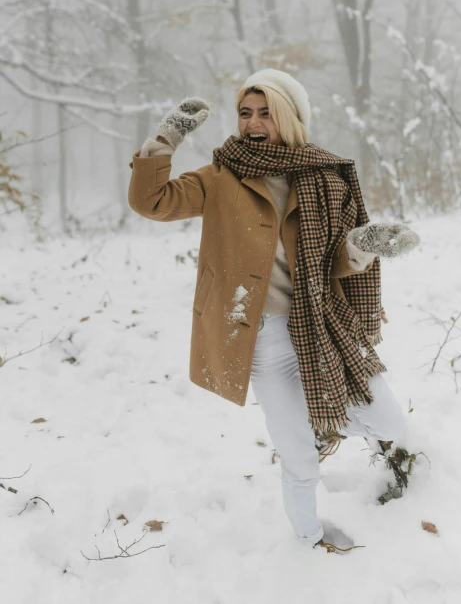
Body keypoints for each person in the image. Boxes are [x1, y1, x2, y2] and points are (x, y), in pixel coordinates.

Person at [128, 69, 419, 554]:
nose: (253, 123)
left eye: (266, 113)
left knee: (389, 423)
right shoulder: (223, 176)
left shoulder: (327, 177)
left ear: (291, 117)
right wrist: (167, 137)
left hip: (320, 327)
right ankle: (309, 542)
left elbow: (334, 263)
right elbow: (150, 201)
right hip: (260, 340)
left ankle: (326, 420)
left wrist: (364, 245)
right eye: (246, 113)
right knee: (299, 456)